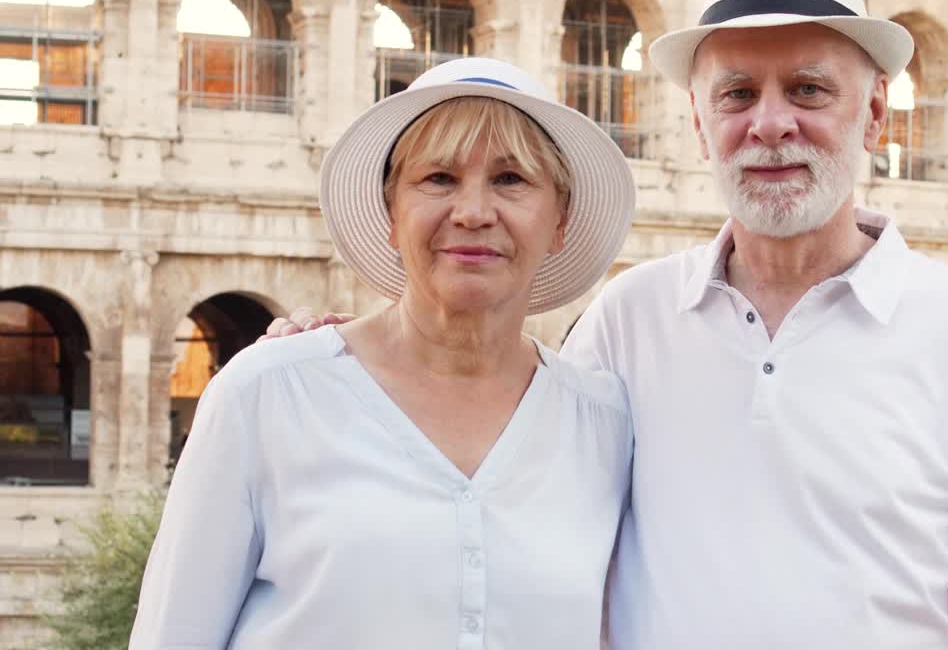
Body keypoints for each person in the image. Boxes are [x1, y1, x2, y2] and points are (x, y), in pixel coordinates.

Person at [268, 0, 948, 647]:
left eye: (807, 89)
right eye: (737, 94)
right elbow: (487, 434)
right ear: (699, 124)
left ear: (874, 113)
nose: (769, 124)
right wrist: (345, 365)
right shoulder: (629, 318)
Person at [129, 58, 637, 649]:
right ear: (391, 215)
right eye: (439, 179)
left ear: (560, 223)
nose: (473, 212)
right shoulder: (267, 394)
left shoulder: (604, 423)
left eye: (511, 180)